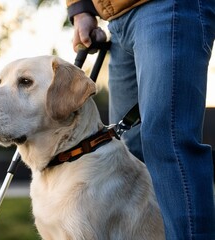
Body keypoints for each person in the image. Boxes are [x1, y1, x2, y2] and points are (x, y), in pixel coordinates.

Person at [66, 0, 215, 239]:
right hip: (115, 18)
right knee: (127, 153)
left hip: (166, 6)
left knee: (168, 143)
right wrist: (80, 9)